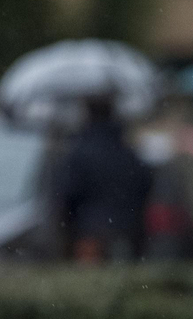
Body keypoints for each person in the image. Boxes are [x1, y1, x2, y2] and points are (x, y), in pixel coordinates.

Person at [55, 94, 152, 263]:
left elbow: (67, 193)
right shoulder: (126, 151)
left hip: (89, 231)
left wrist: (67, 225)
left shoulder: (80, 152)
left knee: (91, 281)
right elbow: (144, 184)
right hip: (128, 229)